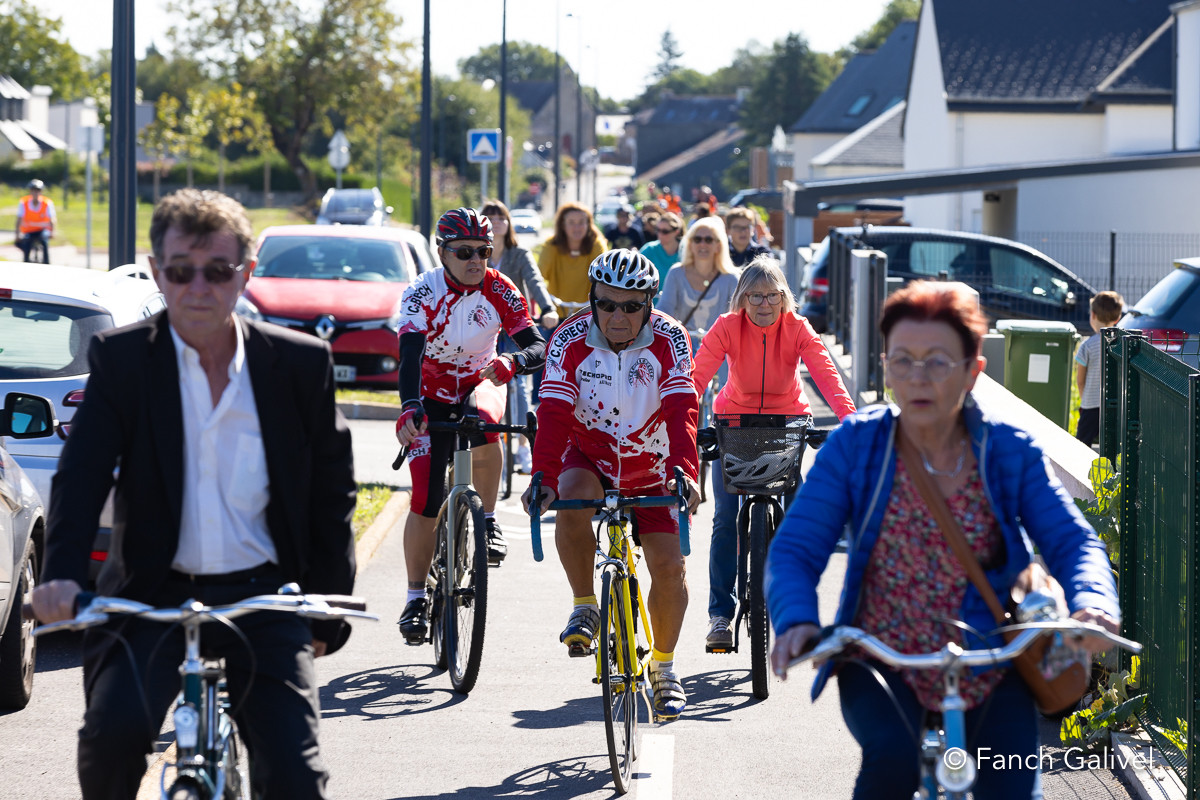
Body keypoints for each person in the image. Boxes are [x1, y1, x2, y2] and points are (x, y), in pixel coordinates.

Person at [30, 188, 357, 799]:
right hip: (149, 593)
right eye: (181, 272)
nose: (198, 287)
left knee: (295, 776)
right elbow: (82, 476)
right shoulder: (122, 360)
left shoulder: (299, 365)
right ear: (159, 273)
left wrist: (325, 604)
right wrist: (61, 577)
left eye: (218, 271)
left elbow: (330, 491)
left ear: (246, 275)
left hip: (265, 594)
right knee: (110, 741)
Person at [766, 280, 1121, 800]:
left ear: (973, 371)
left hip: (996, 659)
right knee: (890, 761)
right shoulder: (855, 447)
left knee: (1012, 787)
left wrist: (1091, 602)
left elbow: (1072, 541)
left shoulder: (1006, 449)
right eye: (903, 360)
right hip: (881, 658)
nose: (917, 377)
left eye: (937, 361)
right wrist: (796, 620)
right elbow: (796, 547)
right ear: (885, 367)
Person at [522, 249, 701, 720]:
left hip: (654, 460)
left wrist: (686, 470)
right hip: (591, 452)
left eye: (630, 306)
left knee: (667, 567)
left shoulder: (670, 338)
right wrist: (541, 475)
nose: (617, 316)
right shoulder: (569, 337)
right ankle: (584, 604)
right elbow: (555, 412)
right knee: (571, 491)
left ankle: (664, 668)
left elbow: (682, 407)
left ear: (649, 302)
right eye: (607, 304)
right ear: (592, 300)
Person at [394, 208, 546, 642]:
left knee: (486, 425)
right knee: (425, 498)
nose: (475, 260)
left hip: (480, 381)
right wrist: (409, 406)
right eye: (463, 252)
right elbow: (408, 355)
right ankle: (414, 597)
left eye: (483, 250)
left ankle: (491, 519)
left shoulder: (500, 288)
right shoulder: (422, 291)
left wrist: (512, 361)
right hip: (429, 390)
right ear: (442, 253)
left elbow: (536, 343)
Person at [691, 256, 856, 649]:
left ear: (785, 298)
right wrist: (678, 420)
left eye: (773, 296)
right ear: (742, 299)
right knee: (725, 518)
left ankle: (788, 604)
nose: (765, 304)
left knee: (796, 514)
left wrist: (850, 420)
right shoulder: (727, 327)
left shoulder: (798, 328)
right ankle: (720, 615)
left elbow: (825, 374)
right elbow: (696, 377)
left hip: (787, 423)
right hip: (734, 423)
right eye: (755, 296)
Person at [482, 199, 559, 473]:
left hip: (516, 328)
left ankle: (525, 446)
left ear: (509, 222)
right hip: (484, 329)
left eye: (500, 216)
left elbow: (535, 282)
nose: (496, 221)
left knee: (523, 389)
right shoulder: (479, 253)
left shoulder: (519, 253)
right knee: (485, 385)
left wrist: (548, 308)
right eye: (489, 216)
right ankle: (491, 443)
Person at [658, 216, 740, 351]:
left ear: (718, 246)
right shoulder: (676, 273)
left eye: (708, 240)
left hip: (721, 351)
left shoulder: (732, 279)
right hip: (683, 349)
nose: (703, 244)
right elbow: (664, 311)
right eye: (697, 239)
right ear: (690, 244)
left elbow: (737, 319)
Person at [537, 201, 607, 317]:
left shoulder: (597, 245)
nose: (577, 227)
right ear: (563, 225)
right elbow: (539, 275)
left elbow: (603, 273)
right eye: (571, 223)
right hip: (555, 312)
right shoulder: (551, 245)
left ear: (589, 225)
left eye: (581, 222)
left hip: (589, 313)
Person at [1074, 290, 1124, 448]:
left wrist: (1084, 399)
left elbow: (1080, 381)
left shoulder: (1087, 346)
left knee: (1082, 444)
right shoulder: (1121, 344)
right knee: (1113, 445)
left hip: (1091, 405)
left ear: (1093, 315)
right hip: (1115, 405)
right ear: (1117, 318)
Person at [639, 212, 684, 305]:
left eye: (665, 231)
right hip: (653, 308)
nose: (660, 234)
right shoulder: (649, 250)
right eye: (658, 230)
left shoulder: (687, 251)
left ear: (677, 231)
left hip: (681, 308)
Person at [15, 178, 55, 262]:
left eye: (38, 190)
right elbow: (19, 219)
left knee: (44, 244)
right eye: (33, 190)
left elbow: (52, 219)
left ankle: (46, 263)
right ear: (30, 191)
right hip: (29, 231)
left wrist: (52, 232)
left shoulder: (47, 203)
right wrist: (17, 234)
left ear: (41, 192)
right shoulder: (23, 202)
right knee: (26, 247)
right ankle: (26, 263)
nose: (36, 193)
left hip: (42, 230)